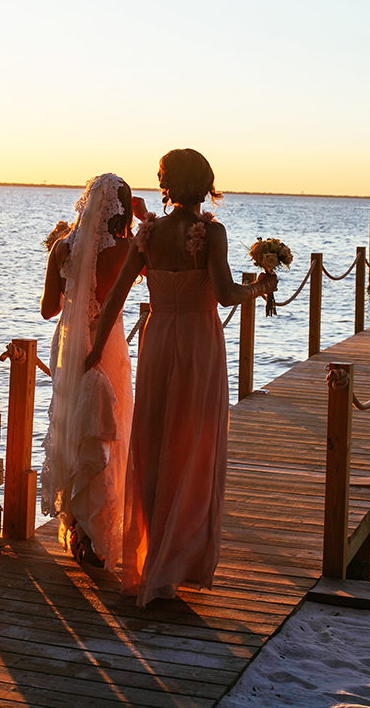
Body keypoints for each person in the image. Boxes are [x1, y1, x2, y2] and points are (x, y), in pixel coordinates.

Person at [85, 149, 277, 606]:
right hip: (197, 343)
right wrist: (261, 287)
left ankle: (156, 559)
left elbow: (114, 296)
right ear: (205, 182)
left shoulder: (149, 233)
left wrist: (93, 352)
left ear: (170, 184)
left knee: (155, 444)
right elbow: (227, 293)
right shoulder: (210, 232)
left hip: (158, 341)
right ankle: (177, 558)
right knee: (196, 445)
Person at [40, 173, 143, 570]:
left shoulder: (62, 248)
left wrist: (71, 282)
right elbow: (129, 291)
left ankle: (79, 529)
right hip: (107, 343)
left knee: (74, 428)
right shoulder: (128, 248)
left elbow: (49, 309)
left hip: (69, 346)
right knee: (107, 429)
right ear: (121, 208)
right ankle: (98, 533)